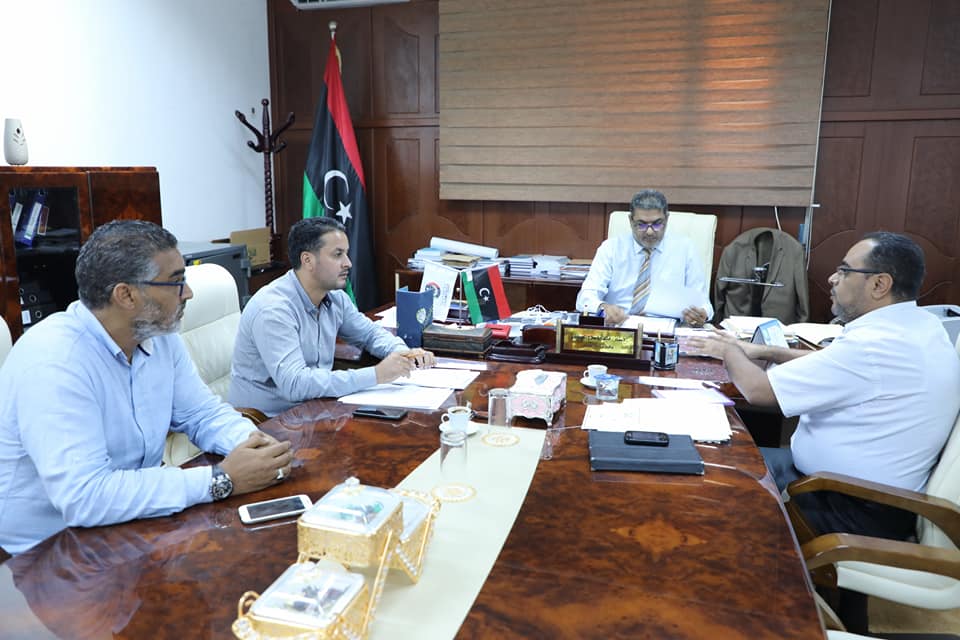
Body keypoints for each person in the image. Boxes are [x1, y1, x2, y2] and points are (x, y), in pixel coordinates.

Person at [0, 220, 294, 555]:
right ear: (126, 295)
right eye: (176, 282)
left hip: (134, 521)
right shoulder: (55, 361)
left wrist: (255, 447)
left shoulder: (157, 334)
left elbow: (202, 414)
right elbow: (86, 497)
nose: (188, 293)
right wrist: (221, 479)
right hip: (46, 552)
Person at [689, 232, 960, 540]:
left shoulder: (872, 346)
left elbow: (758, 390)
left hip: (845, 508)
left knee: (703, 481)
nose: (832, 278)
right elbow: (834, 363)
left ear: (879, 284)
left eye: (844, 271)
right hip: (855, 494)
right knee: (713, 457)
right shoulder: (920, 325)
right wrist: (767, 351)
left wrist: (727, 349)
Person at [229, 217, 435, 416]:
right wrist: (376, 374)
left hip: (316, 411)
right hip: (270, 423)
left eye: (346, 254)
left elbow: (370, 334)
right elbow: (295, 384)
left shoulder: (335, 298)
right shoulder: (273, 310)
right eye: (338, 255)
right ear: (308, 260)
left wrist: (402, 354)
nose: (348, 263)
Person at [576, 189, 712, 326]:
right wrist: (602, 307)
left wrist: (701, 314)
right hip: (620, 327)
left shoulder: (685, 249)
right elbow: (585, 297)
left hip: (667, 329)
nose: (650, 231)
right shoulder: (611, 248)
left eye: (657, 224)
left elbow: (704, 304)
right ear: (631, 221)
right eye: (641, 224)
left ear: (667, 219)